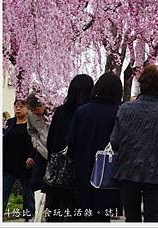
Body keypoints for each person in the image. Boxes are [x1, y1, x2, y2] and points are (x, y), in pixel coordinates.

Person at [110, 64, 158, 223]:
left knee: (131, 218)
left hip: (127, 171)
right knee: (153, 219)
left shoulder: (125, 109)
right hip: (156, 173)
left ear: (142, 82)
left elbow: (114, 141)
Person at [67, 72, 123, 222]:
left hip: (83, 169)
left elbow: (71, 142)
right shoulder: (119, 113)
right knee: (102, 215)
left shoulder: (82, 111)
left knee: (83, 211)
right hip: (107, 173)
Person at [44, 74, 94, 222]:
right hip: (79, 172)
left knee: (54, 210)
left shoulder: (60, 112)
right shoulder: (87, 113)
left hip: (58, 170)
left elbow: (50, 140)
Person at [3, 99, 35, 221]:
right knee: (3, 191)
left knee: (28, 193)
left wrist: (32, 156)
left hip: (26, 165)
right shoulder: (9, 123)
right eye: (16, 106)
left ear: (27, 108)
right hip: (8, 164)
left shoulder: (32, 124)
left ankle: (29, 217)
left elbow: (36, 143)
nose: (18, 109)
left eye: (21, 106)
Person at [26, 93, 49, 194]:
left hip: (54, 151)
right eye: (32, 110)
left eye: (37, 109)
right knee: (34, 182)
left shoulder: (54, 111)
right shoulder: (31, 115)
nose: (35, 112)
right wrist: (35, 143)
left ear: (43, 104)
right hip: (41, 150)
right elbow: (31, 131)